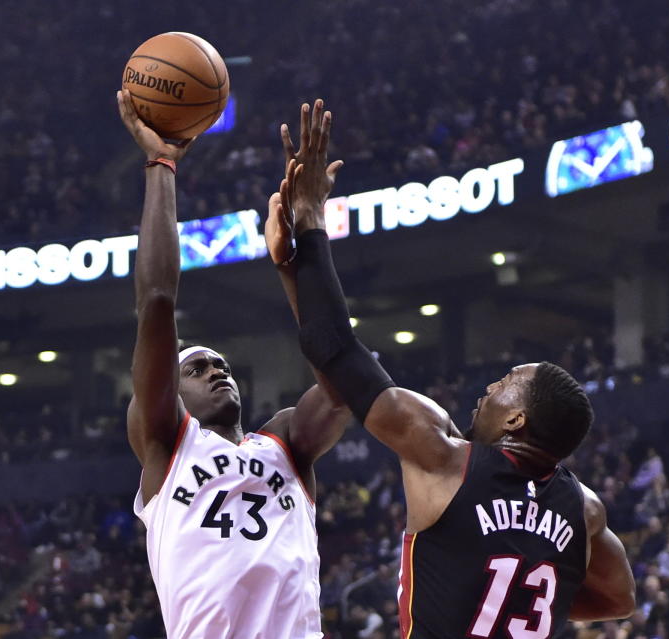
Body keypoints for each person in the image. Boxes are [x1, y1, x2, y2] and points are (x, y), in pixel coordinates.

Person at [264, 99, 636, 638]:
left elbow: (337, 352)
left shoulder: (441, 456)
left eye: (506, 385)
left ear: (517, 422)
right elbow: (619, 598)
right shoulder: (585, 510)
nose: (490, 385)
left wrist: (309, 222)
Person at [116, 89, 351, 639]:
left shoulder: (287, 440)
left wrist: (299, 255)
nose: (216, 371)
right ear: (171, 394)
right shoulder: (166, 443)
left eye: (219, 365)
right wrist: (161, 166)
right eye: (196, 369)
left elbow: (344, 380)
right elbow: (156, 302)